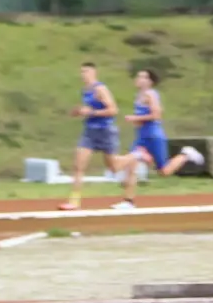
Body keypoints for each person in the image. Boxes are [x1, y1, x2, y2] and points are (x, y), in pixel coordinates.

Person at [110, 68, 203, 210]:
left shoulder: (151, 95)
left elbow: (156, 115)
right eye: (138, 76)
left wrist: (136, 118)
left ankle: (185, 154)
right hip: (142, 137)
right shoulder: (139, 96)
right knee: (131, 166)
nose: (138, 79)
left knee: (164, 171)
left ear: (149, 82)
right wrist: (137, 122)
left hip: (154, 136)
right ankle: (128, 201)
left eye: (142, 77)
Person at [61, 62, 122, 211]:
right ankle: (74, 201)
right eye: (81, 72)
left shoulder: (100, 89)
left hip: (105, 131)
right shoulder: (85, 91)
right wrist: (78, 112)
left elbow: (113, 110)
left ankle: (137, 156)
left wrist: (92, 113)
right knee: (78, 166)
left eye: (86, 71)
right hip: (89, 131)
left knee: (114, 167)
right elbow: (87, 110)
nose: (83, 75)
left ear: (94, 72)